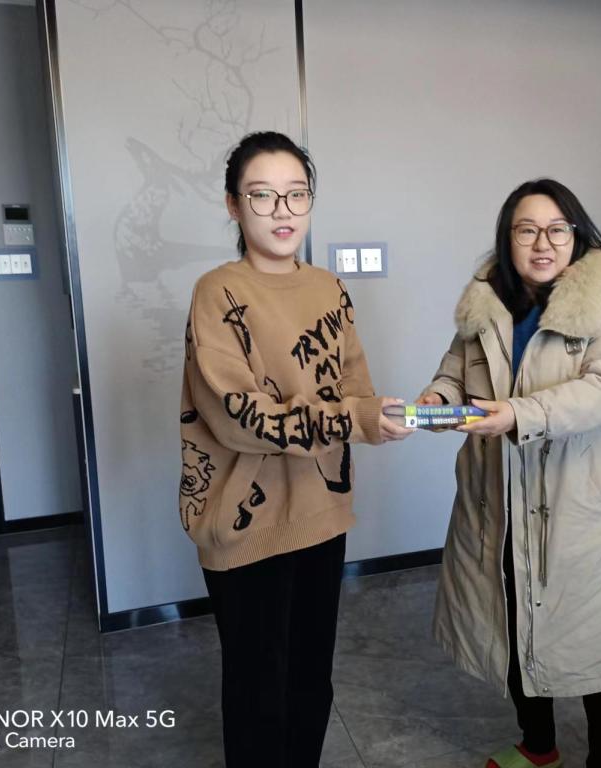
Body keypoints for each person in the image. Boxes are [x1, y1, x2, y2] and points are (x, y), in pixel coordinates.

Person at [418, 179, 601, 768]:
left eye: (557, 230)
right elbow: (453, 374)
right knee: (513, 625)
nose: (542, 243)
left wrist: (517, 414)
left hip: (580, 507)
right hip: (498, 501)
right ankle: (538, 747)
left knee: (600, 643)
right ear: (507, 239)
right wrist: (436, 400)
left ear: (576, 236)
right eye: (527, 230)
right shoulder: (483, 308)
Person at [179, 131, 413, 768]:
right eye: (262, 195)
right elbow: (239, 417)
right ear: (234, 205)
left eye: (297, 194)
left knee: (311, 678)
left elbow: (355, 390)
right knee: (258, 691)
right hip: (244, 522)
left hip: (321, 513)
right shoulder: (217, 291)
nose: (282, 211)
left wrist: (385, 414)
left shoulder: (330, 288)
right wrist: (355, 417)